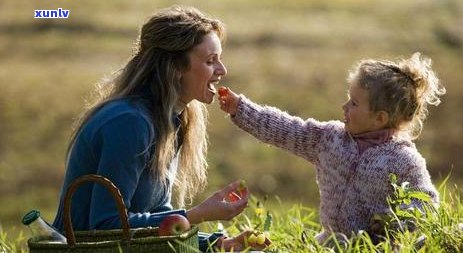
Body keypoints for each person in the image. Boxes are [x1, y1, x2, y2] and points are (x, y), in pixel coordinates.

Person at [52, 5, 269, 252]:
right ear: (175, 67)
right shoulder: (129, 124)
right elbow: (104, 227)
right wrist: (196, 214)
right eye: (210, 61)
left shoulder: (171, 120)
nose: (222, 70)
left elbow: (154, 219)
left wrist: (217, 244)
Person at [218, 52, 445, 245]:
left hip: (375, 247)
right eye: (348, 98)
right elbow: (286, 130)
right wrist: (241, 108)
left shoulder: (404, 159)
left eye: (354, 103)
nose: (344, 106)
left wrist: (392, 226)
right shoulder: (330, 138)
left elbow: (425, 203)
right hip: (329, 242)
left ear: (380, 118)